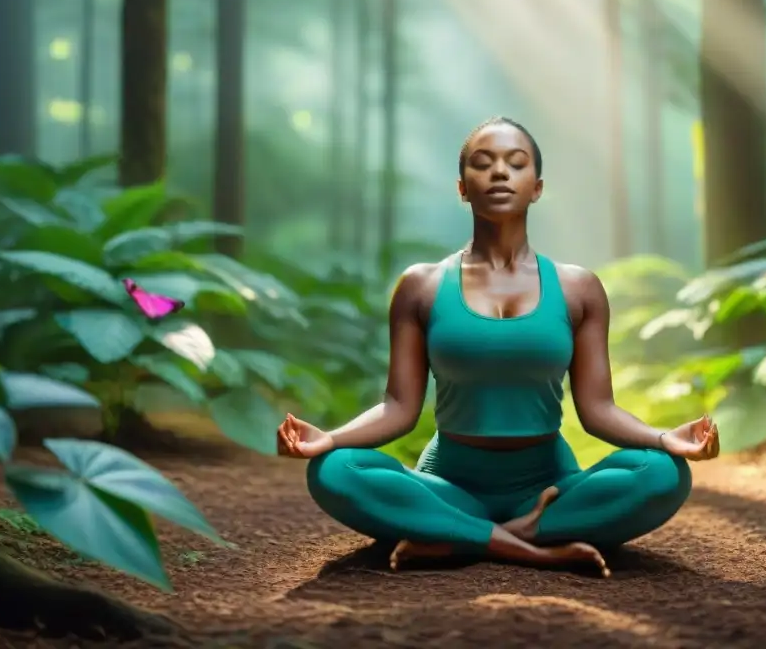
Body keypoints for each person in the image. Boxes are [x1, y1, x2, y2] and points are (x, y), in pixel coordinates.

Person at [276, 116, 720, 577]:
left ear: (537, 186)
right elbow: (398, 407)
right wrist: (330, 439)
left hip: (548, 488)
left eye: (516, 163)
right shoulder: (421, 286)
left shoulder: (578, 288)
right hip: (447, 483)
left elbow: (599, 410)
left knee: (663, 473)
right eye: (483, 163)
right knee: (335, 469)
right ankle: (527, 544)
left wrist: (664, 438)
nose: (500, 173)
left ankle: (457, 536)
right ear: (463, 187)